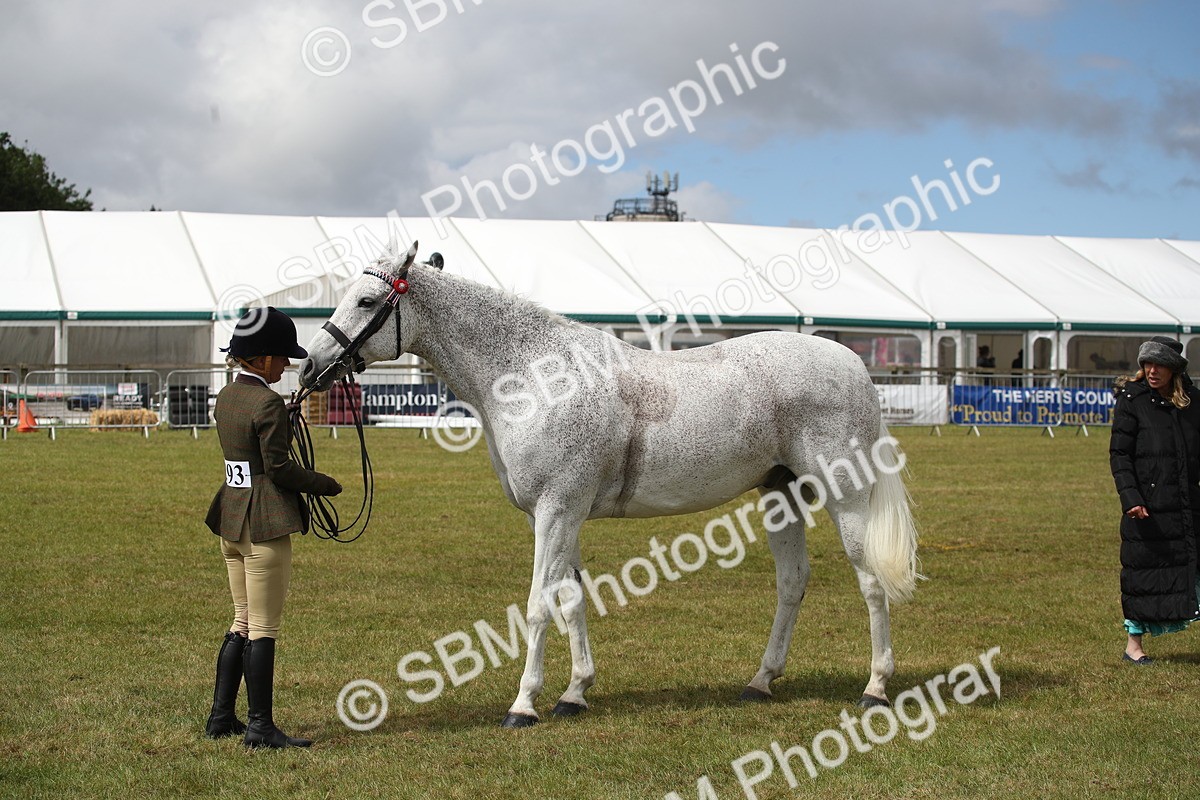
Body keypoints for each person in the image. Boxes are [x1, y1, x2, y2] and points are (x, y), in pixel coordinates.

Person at [203, 307, 342, 747]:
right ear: (260, 359)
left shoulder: (228, 396)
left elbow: (252, 439)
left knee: (241, 620)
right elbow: (279, 469)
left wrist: (282, 416)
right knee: (263, 627)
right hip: (263, 526)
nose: (286, 365)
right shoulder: (266, 402)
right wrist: (324, 484)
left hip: (230, 521)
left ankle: (221, 717)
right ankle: (261, 727)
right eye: (281, 357)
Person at [1109, 336, 1200, 664]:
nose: (1151, 370)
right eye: (1147, 364)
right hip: (1146, 508)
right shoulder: (1132, 400)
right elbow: (1120, 454)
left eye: (1159, 364)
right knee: (1144, 574)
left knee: (1193, 570)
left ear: (1174, 368)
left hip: (1189, 506)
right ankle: (1134, 646)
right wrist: (1131, 496)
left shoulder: (1193, 403)